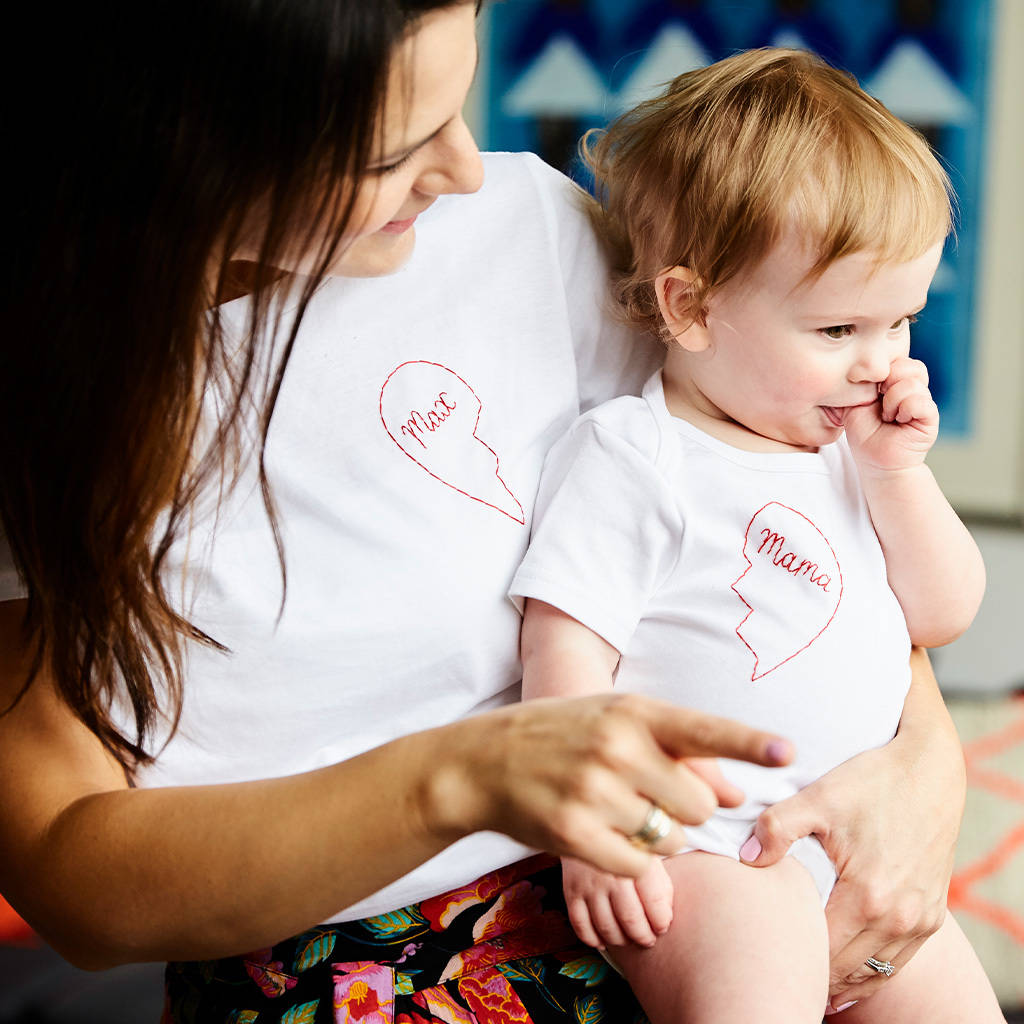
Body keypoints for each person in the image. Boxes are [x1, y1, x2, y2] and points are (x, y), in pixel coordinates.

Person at [0, 4, 968, 1021]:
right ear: (190, 138)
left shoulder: (532, 232)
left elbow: (760, 511)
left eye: (454, 107)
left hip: (687, 874)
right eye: (396, 148)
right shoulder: (54, 400)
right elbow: (77, 878)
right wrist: (458, 778)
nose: (465, 169)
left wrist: (922, 763)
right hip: (365, 964)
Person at [511, 48, 1001, 1023]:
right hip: (713, 850)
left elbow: (943, 613)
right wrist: (598, 831)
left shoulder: (850, 450)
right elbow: (564, 653)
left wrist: (895, 476)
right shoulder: (635, 454)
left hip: (861, 841)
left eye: (900, 321)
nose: (879, 362)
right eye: (836, 332)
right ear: (690, 308)